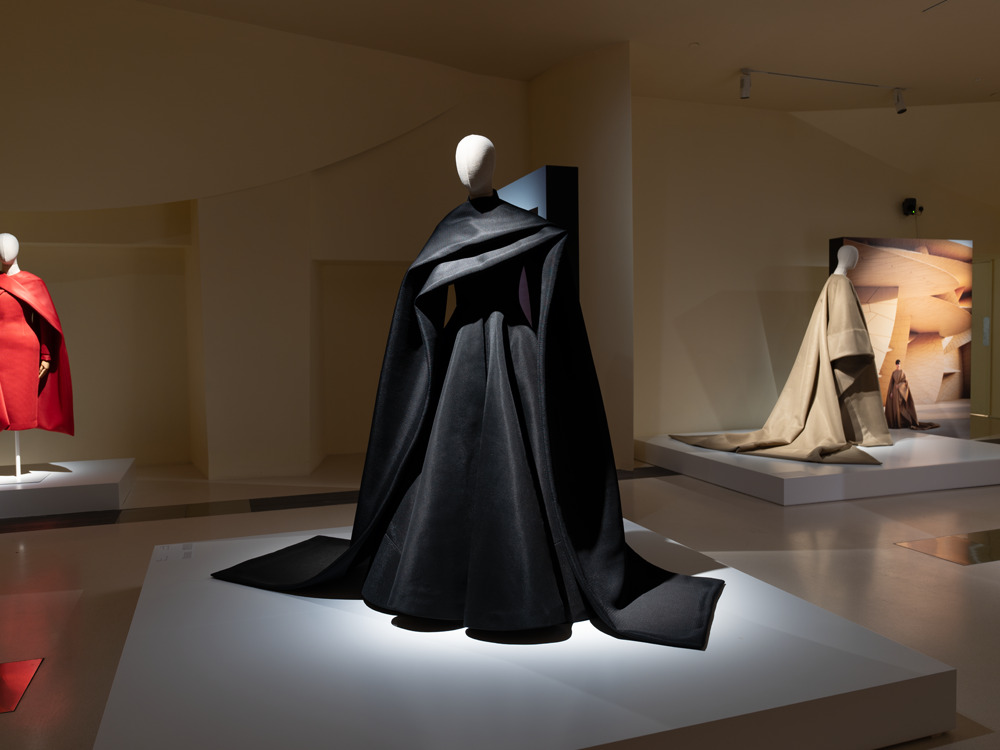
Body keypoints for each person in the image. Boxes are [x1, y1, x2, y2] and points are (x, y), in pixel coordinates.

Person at [213, 136, 724, 649]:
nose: (467, 170)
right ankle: (505, 584)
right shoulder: (524, 231)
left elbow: (430, 297)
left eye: (473, 161)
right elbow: (547, 313)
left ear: (487, 166)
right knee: (474, 457)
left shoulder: (473, 231)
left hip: (468, 349)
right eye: (463, 161)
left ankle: (440, 584)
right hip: (512, 347)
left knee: (470, 457)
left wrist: (429, 355)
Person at [672, 245, 891, 464]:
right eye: (854, 256)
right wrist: (859, 353)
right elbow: (846, 331)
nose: (856, 260)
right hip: (836, 352)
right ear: (848, 258)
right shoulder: (841, 284)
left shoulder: (832, 282)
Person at [0, 233, 73, 435]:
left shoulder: (33, 282)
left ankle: (21, 422)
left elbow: (45, 321)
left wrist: (46, 355)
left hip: (24, 350)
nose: (4, 252)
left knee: (20, 404)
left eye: (8, 247)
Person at [884, 360, 938, 430]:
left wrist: (899, 385)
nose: (898, 365)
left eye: (899, 364)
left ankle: (901, 422)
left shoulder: (903, 372)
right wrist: (891, 392)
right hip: (894, 391)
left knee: (900, 406)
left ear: (900, 364)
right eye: (897, 364)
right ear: (895, 365)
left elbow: (905, 382)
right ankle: (895, 422)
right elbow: (891, 383)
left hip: (900, 392)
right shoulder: (893, 372)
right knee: (894, 407)